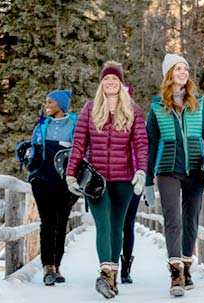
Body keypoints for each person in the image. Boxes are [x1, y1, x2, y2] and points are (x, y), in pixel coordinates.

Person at [144, 53, 204, 297]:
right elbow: (150, 145)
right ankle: (175, 273)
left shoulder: (197, 104)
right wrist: (148, 180)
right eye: (178, 68)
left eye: (185, 69)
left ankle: (187, 266)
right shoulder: (157, 107)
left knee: (191, 219)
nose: (183, 72)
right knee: (173, 220)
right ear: (169, 74)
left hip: (195, 170)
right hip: (168, 170)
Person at [64, 61, 148, 299]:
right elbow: (79, 143)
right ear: (101, 84)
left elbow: (141, 144)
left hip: (123, 179)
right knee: (103, 224)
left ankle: (112, 276)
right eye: (106, 79)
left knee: (117, 226)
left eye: (114, 79)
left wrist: (141, 172)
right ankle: (104, 272)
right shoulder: (89, 109)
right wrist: (71, 173)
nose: (110, 83)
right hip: (96, 180)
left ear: (121, 84)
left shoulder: (133, 110)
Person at [24, 89, 78, 286]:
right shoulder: (41, 125)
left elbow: (82, 150)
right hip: (42, 180)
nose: (47, 105)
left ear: (61, 105)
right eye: (46, 101)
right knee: (47, 223)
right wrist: (28, 157)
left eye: (51, 102)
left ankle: (57, 265)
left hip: (65, 182)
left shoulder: (74, 123)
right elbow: (33, 149)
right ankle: (47, 266)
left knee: (61, 223)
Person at [120, 83, 141, 284]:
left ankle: (125, 269)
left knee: (128, 223)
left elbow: (144, 148)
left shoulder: (136, 119)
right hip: (113, 179)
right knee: (113, 224)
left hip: (133, 179)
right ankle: (110, 266)